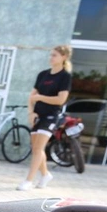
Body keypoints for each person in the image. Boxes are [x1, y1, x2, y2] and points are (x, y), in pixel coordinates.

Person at [18, 45, 72, 191]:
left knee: (38, 148)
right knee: (36, 148)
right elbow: (31, 97)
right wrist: (31, 113)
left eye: (54, 55)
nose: (51, 58)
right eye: (50, 55)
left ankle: (28, 181)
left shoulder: (65, 77)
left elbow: (60, 100)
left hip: (51, 116)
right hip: (38, 115)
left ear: (64, 57)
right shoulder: (43, 74)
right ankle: (46, 174)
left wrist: (41, 97)